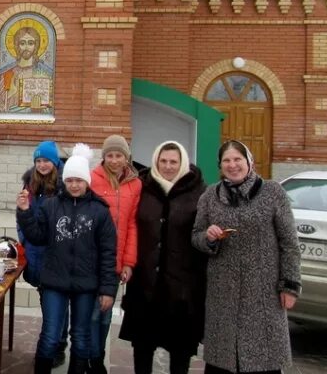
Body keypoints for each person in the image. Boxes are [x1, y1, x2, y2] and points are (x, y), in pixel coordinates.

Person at [192, 140, 301, 374]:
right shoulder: (211, 195)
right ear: (220, 166)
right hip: (223, 294)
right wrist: (208, 237)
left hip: (263, 292)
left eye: (237, 159)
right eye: (226, 161)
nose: (232, 165)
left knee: (262, 361)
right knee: (222, 363)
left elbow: (289, 243)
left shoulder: (272, 192)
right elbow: (196, 236)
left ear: (249, 162)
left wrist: (289, 286)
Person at [16, 143, 117, 374]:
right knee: (50, 335)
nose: (74, 185)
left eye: (79, 180)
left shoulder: (100, 211)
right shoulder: (51, 206)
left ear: (86, 182)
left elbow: (108, 253)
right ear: (65, 180)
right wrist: (25, 212)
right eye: (70, 180)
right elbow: (37, 236)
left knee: (81, 338)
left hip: (86, 285)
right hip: (54, 281)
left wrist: (108, 289)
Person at [119, 141, 207, 374]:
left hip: (182, 287)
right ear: (156, 161)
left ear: (183, 163)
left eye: (173, 162)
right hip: (145, 284)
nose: (168, 166)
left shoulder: (199, 191)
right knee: (143, 348)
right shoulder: (142, 186)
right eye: (163, 161)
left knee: (180, 352)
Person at [88, 134, 142, 373]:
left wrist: (129, 262)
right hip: (90, 259)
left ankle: (97, 354)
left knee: (105, 315)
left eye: (118, 155)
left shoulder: (135, 184)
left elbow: (132, 224)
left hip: (115, 260)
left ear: (126, 157)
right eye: (109, 155)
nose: (114, 160)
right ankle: (92, 360)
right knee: (90, 315)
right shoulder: (92, 179)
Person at [17, 140, 69, 367]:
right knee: (45, 299)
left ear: (55, 161)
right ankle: (54, 340)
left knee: (58, 302)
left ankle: (58, 344)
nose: (42, 165)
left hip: (56, 254)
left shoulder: (64, 186)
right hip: (35, 251)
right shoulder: (30, 184)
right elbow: (22, 215)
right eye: (38, 161)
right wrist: (24, 239)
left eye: (46, 160)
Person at [0, 25, 54, 113]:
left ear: (36, 46)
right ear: (17, 45)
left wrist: (38, 109)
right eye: (22, 43)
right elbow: (1, 106)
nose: (26, 47)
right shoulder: (7, 74)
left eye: (30, 43)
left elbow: (49, 107)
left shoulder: (44, 73)